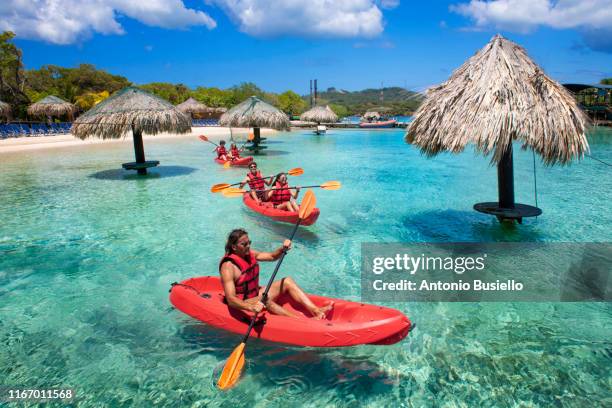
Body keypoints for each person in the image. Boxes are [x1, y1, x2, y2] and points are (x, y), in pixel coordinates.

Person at [219, 229, 333, 319]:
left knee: (287, 281)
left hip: (255, 294)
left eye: (249, 243)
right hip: (242, 302)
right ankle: (300, 321)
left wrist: (282, 249)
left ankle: (316, 310)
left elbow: (272, 256)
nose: (248, 246)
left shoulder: (251, 254)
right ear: (234, 247)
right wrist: (251, 307)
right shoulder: (228, 267)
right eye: (244, 244)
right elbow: (231, 299)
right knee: (264, 299)